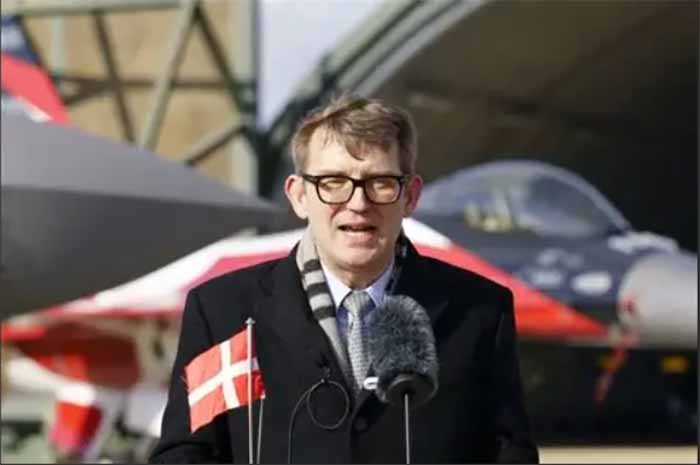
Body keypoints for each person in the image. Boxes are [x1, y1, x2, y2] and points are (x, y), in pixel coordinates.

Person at [150, 94, 539, 463]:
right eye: (333, 183)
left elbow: (510, 454)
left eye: (380, 182)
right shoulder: (222, 312)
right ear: (299, 195)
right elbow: (183, 454)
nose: (358, 203)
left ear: (410, 196)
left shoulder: (480, 312)